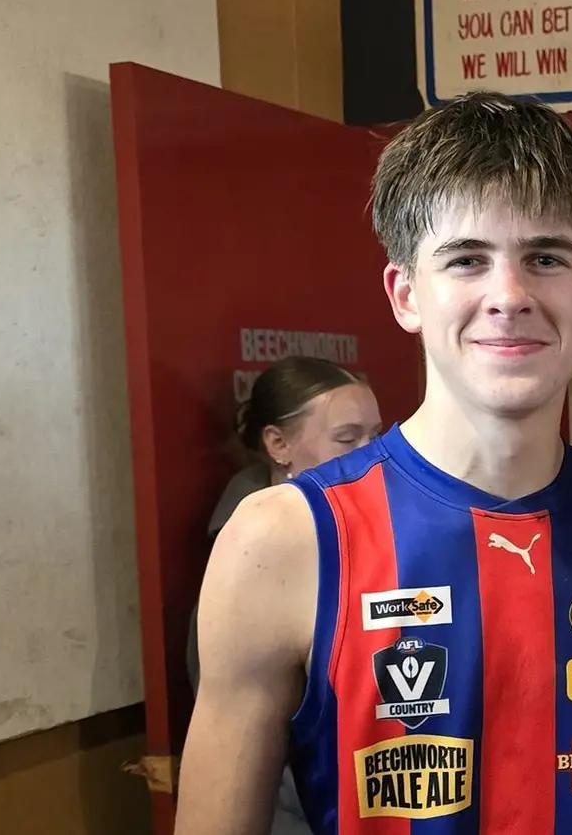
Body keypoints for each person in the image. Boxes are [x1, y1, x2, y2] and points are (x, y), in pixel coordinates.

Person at [176, 91, 572, 835]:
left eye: (545, 257)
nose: (508, 295)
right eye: (467, 259)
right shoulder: (281, 540)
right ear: (406, 293)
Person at [184, 356, 383, 835]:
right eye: (347, 438)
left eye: (377, 435)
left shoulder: (374, 541)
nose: (372, 455)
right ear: (279, 444)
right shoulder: (243, 578)